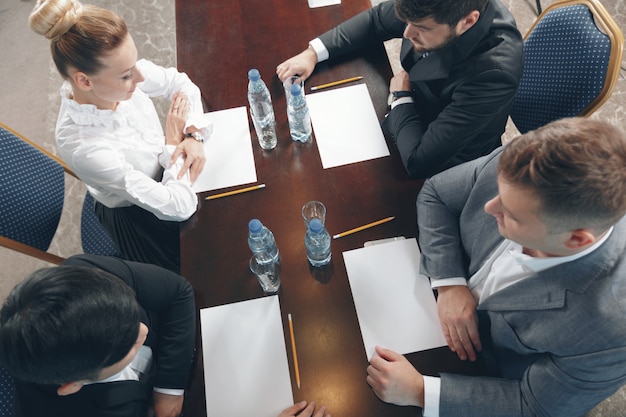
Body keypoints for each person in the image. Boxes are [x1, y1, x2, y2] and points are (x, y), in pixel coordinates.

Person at [366, 117, 626, 416]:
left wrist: (422, 392)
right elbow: (436, 193)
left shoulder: (610, 332)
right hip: (431, 288)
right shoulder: (524, 163)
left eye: (512, 215)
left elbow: (534, 407)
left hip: (480, 375)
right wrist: (450, 284)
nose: (490, 207)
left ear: (575, 239)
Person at [0, 254, 331, 417]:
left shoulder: (84, 274)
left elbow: (177, 292)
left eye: (134, 316)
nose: (143, 330)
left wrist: (168, 388)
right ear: (72, 386)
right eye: (128, 344)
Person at [29, 0, 212, 273]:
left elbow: (180, 83)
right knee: (206, 265)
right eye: (126, 76)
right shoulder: (85, 148)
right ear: (84, 82)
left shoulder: (117, 79)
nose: (139, 78)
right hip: (140, 217)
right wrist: (173, 143)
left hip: (168, 172)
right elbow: (180, 206)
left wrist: (192, 135)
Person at [276, 0, 523, 179]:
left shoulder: (493, 74)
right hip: (415, 111)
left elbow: (419, 162)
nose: (406, 33)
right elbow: (375, 20)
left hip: (448, 160)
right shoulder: (431, 11)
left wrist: (401, 98)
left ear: (468, 22)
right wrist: (312, 54)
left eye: (421, 29)